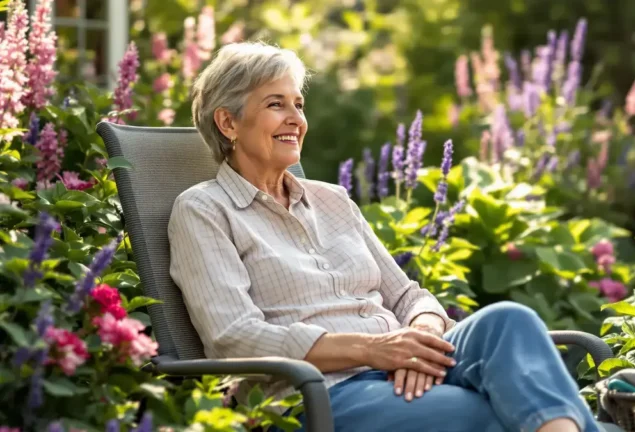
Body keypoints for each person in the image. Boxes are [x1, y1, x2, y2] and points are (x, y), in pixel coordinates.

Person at [167, 41, 603, 432]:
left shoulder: (333, 200)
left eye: (298, 104)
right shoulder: (204, 210)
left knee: (508, 319)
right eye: (276, 104)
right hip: (319, 395)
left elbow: (409, 296)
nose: (295, 119)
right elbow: (235, 337)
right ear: (228, 122)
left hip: (401, 365)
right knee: (494, 411)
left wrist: (420, 336)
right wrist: (375, 350)